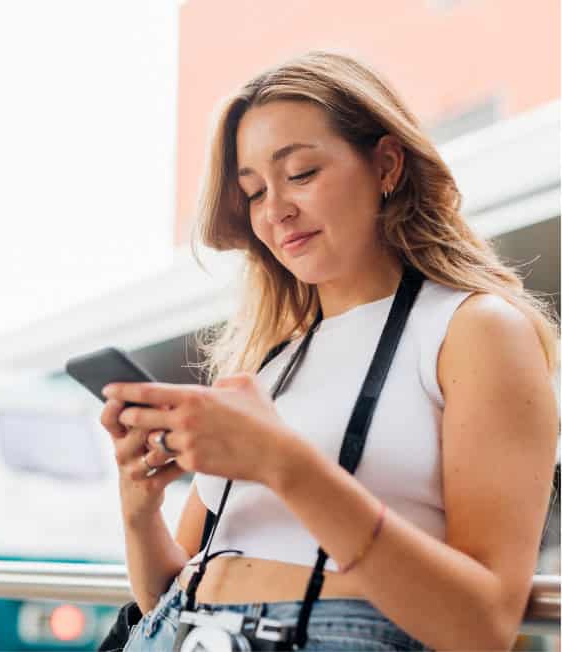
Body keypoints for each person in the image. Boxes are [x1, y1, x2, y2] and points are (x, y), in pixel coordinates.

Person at [99, 51, 559, 651]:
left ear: (387, 164)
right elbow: (168, 590)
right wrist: (139, 506)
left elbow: (483, 626)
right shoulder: (266, 361)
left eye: (302, 173)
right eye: (255, 190)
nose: (276, 209)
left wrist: (285, 465)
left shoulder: (474, 330)